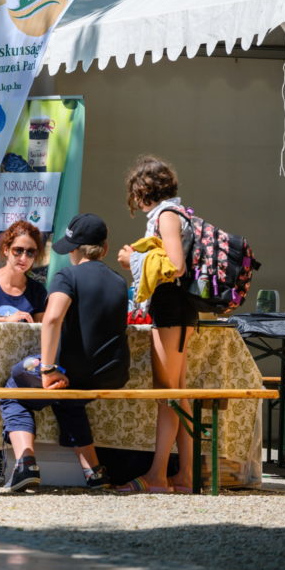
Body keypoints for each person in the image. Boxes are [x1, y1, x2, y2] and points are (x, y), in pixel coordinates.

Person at [0, 213, 130, 492]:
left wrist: (47, 368)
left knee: (14, 385)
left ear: (73, 250)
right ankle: (94, 471)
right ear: (104, 249)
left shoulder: (67, 275)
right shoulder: (119, 282)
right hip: (111, 376)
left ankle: (26, 464)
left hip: (75, 373)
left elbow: (52, 318)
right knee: (66, 397)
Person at [116, 155, 197, 493]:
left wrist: (132, 259)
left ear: (141, 191)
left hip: (171, 310)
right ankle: (185, 476)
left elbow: (175, 265)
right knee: (178, 393)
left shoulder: (166, 216)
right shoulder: (179, 213)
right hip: (181, 309)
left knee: (168, 394)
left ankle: (157, 476)